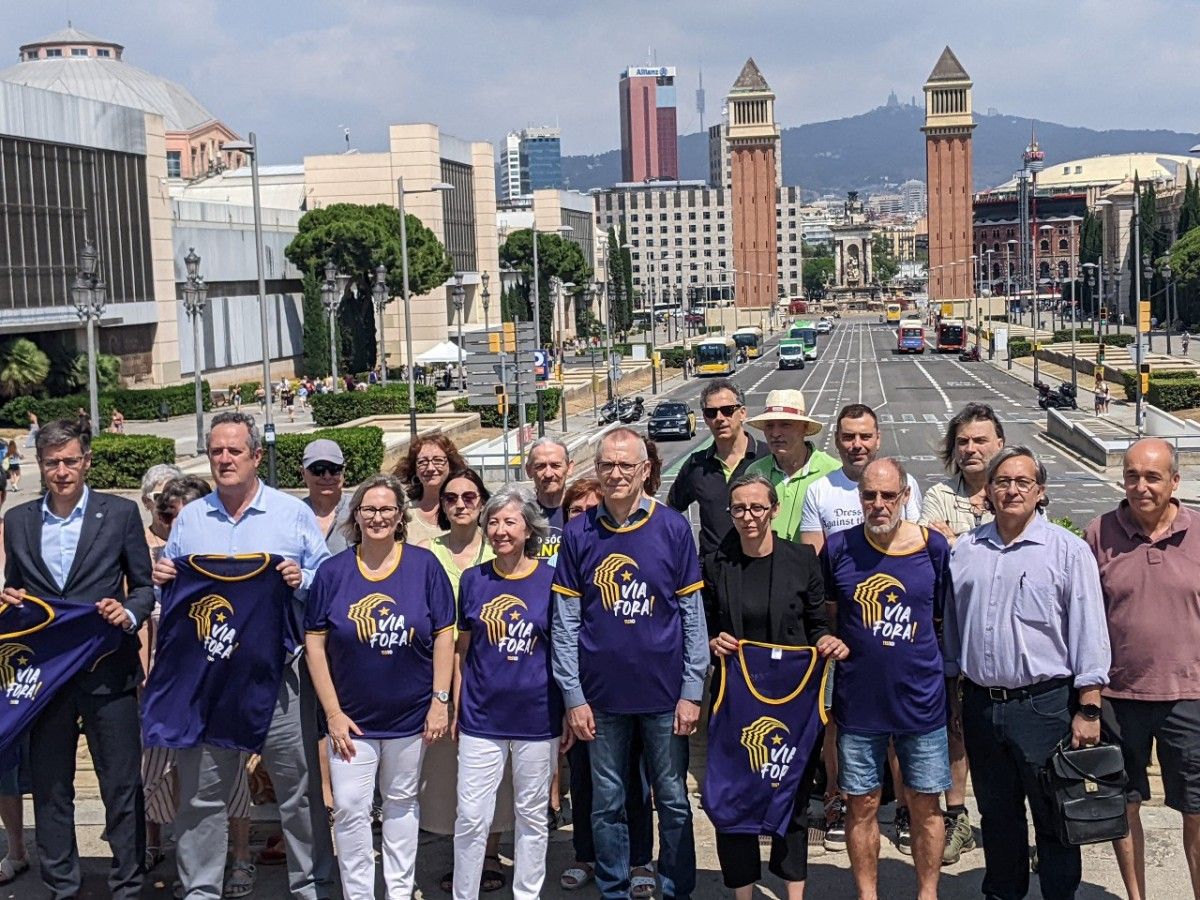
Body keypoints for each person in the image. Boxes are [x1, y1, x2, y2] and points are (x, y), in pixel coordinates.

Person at [155, 411, 335, 900]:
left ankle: (311, 886)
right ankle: (201, 890)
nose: (225, 459)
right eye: (217, 451)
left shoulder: (291, 514)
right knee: (203, 792)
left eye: (235, 451)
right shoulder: (190, 520)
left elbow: (327, 584)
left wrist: (305, 581)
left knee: (298, 791)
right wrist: (163, 582)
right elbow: (167, 596)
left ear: (257, 456)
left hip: (279, 676)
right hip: (209, 680)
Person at [946, 445, 1111, 900]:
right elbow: (954, 633)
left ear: (1040, 492)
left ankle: (1059, 894)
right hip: (981, 703)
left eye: (1023, 482)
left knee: (1054, 813)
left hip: (1045, 705)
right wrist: (953, 699)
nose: (1012, 490)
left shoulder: (1067, 551)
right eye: (1003, 481)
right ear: (989, 491)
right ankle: (1004, 891)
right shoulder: (965, 551)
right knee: (997, 816)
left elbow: (1089, 633)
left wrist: (1089, 709)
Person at [0, 418, 154, 900]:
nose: (62, 471)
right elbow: (17, 590)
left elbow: (145, 587)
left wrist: (128, 613)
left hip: (109, 670)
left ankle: (128, 885)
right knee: (50, 790)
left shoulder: (122, 513)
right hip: (47, 679)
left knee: (122, 788)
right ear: (40, 467)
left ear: (86, 461)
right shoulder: (19, 521)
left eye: (70, 461)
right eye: (52, 463)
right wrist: (10, 599)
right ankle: (61, 886)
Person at [552, 426, 707, 900]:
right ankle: (615, 888)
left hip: (665, 697)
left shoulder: (672, 527)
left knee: (674, 801)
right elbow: (565, 622)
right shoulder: (579, 532)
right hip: (601, 699)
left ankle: (676, 887)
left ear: (645, 470)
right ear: (595, 471)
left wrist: (691, 690)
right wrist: (573, 696)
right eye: (606, 465)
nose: (616, 474)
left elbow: (691, 617)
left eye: (626, 465)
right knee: (606, 804)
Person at [304, 473, 455, 900]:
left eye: (387, 508)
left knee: (402, 803)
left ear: (400, 515)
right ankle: (359, 893)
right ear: (356, 515)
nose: (378, 517)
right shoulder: (333, 572)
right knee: (350, 807)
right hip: (351, 720)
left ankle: (399, 890)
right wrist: (332, 713)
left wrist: (439, 700)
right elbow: (315, 643)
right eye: (368, 509)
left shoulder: (425, 567)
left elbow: (445, 632)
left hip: (410, 715)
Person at [702, 473, 847, 898]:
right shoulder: (715, 562)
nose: (748, 517)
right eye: (739, 508)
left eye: (757, 508)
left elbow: (818, 625)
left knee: (794, 798)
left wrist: (827, 640)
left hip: (793, 702)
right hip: (736, 699)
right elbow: (702, 624)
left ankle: (794, 894)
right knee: (734, 799)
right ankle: (743, 893)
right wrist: (713, 638)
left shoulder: (802, 560)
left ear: (774, 510)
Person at [823, 459, 952, 900]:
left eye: (888, 496)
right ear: (858, 498)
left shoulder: (933, 548)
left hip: (922, 701)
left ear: (905, 497)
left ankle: (928, 892)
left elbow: (941, 617)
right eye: (869, 496)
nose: (878, 504)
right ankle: (867, 894)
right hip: (859, 703)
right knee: (861, 805)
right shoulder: (838, 547)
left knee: (926, 804)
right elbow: (828, 616)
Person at [1086, 438, 1200, 900]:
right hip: (1119, 697)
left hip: (1190, 696)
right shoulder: (1099, 532)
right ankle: (1137, 897)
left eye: (1152, 477)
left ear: (1175, 481)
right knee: (1124, 804)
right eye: (1132, 475)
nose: (1141, 486)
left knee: (1196, 810)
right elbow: (1084, 614)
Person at [453, 486, 568, 900]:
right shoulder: (472, 580)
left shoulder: (552, 581)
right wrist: (452, 702)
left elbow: (562, 650)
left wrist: (569, 710)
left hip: (538, 718)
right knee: (470, 816)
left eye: (510, 522)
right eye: (494, 522)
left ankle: (527, 894)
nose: (500, 530)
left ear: (529, 529)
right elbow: (462, 649)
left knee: (532, 816)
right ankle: (464, 893)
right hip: (481, 718)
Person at [556, 478, 657, 896]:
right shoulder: (562, 556)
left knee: (632, 778)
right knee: (584, 778)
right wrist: (570, 694)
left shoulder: (624, 549)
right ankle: (587, 854)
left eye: (588, 508)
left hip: (627, 686)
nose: (581, 516)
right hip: (578, 685)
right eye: (573, 511)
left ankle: (638, 859)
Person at [919, 402, 1005, 865]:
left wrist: (961, 538)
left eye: (980, 440)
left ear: (1000, 444)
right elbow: (938, 551)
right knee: (955, 727)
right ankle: (958, 818)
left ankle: (1013, 821)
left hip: (1009, 636)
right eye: (963, 442)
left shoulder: (1019, 490)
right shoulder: (937, 495)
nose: (971, 449)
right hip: (952, 632)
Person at [423, 468, 508, 893]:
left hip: (493, 670)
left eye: (469, 497)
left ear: (482, 502)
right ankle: (461, 857)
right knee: (450, 775)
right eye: (451, 498)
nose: (460, 504)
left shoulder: (500, 545)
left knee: (493, 774)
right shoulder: (425, 550)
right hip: (439, 669)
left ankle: (490, 853)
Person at [800, 403, 922, 556]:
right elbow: (815, 561)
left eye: (865, 437)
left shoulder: (904, 483)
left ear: (878, 439)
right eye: (848, 437)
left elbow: (917, 542)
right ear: (836, 440)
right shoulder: (817, 490)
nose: (857, 445)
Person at [668, 379, 770, 558]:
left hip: (760, 566)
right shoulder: (696, 465)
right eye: (711, 412)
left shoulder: (767, 456)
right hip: (713, 575)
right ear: (706, 419)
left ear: (743, 413)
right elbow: (671, 510)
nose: (720, 418)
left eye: (727, 410)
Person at [743, 389, 839, 542]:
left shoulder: (832, 471)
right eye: (769, 426)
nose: (775, 433)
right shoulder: (754, 472)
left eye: (785, 425)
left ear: (805, 428)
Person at [392, 433, 468, 547]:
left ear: (451, 465)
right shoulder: (403, 513)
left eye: (438, 460)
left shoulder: (467, 509)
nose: (430, 468)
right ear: (414, 469)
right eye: (422, 462)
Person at [525, 437, 573, 563]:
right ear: (528, 470)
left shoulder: (583, 512)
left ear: (570, 468)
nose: (548, 474)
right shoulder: (521, 515)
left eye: (555, 465)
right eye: (540, 466)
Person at [301, 439, 353, 555]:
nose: (327, 476)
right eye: (318, 470)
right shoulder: (294, 514)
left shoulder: (359, 510)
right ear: (303, 473)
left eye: (334, 469)